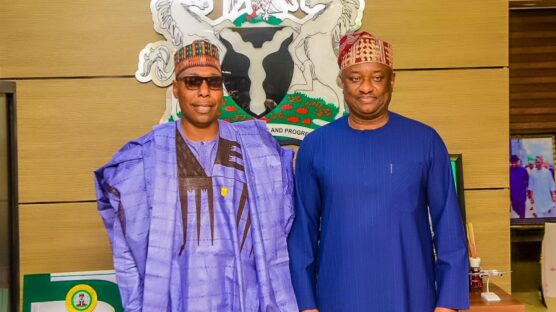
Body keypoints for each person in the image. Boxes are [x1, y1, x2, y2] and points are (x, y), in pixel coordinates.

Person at [95, 40, 298, 311]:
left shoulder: (257, 148)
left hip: (245, 297)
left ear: (222, 91)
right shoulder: (146, 156)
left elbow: (283, 219)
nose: (204, 92)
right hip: (178, 299)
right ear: (176, 89)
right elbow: (124, 229)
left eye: (213, 83)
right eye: (192, 82)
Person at [288, 32, 469, 312]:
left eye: (377, 77)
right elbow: (303, 232)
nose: (366, 88)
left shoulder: (425, 141)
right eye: (355, 77)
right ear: (341, 82)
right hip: (336, 297)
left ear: (392, 80)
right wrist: (306, 304)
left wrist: (448, 303)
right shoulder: (316, 145)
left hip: (412, 296)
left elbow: (449, 227)